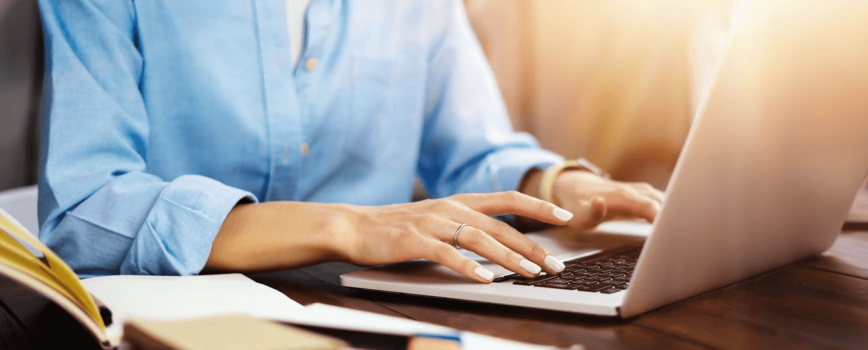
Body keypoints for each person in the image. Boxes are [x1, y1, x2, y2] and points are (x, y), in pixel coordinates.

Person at [36, 0, 665, 282]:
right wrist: (347, 226)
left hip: (381, 315)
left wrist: (560, 188)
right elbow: (84, 207)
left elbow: (472, 150)